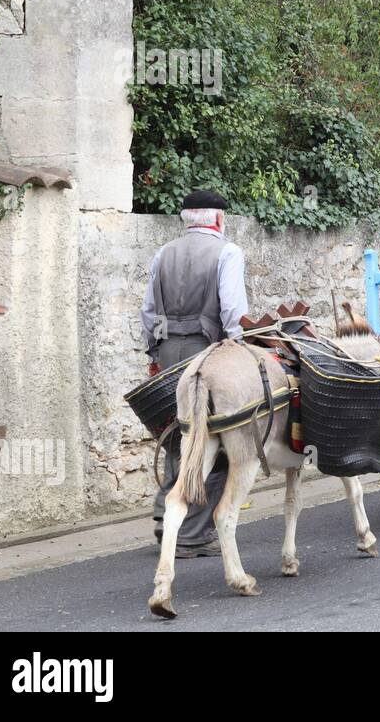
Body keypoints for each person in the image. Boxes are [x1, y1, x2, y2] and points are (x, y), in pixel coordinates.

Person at [141, 190, 249, 557]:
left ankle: (165, 514)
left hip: (169, 351)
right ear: (219, 220)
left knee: (178, 432)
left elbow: (148, 311)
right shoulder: (227, 252)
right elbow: (234, 313)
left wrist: (154, 353)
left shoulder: (163, 253)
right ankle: (193, 534)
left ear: (186, 219)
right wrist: (242, 352)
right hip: (209, 355)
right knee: (214, 441)